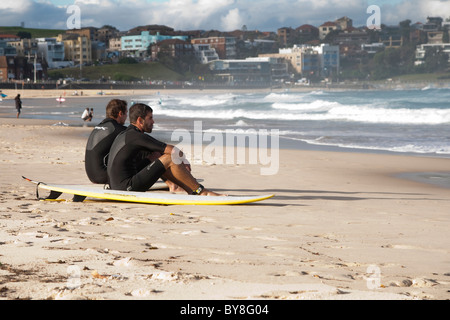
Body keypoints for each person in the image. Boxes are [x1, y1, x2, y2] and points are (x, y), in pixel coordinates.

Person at [107, 103, 222, 196]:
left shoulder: (126, 134)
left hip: (116, 186)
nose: (153, 122)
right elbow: (173, 151)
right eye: (150, 118)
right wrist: (184, 160)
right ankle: (201, 192)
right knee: (170, 158)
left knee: (157, 155)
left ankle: (190, 190)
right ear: (140, 121)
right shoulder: (137, 137)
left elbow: (158, 152)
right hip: (126, 188)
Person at [85, 100, 128, 184]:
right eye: (126, 113)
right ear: (120, 113)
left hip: (91, 176)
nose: (127, 117)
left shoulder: (99, 126)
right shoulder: (117, 129)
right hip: (102, 176)